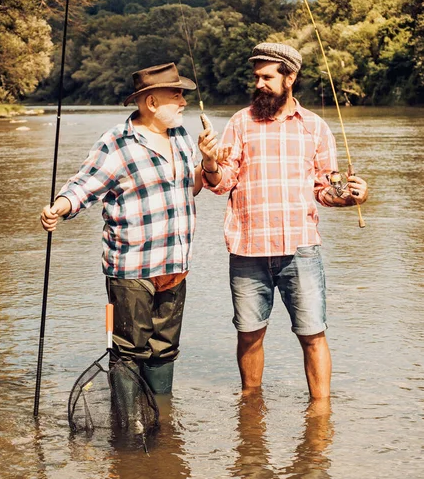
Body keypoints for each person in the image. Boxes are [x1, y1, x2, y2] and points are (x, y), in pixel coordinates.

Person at [198, 43, 368, 399]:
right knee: (249, 333)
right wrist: (210, 163)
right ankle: (250, 408)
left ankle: (321, 414)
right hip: (247, 247)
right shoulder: (240, 123)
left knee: (313, 334)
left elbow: (327, 187)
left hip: (300, 250)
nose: (259, 83)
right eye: (256, 77)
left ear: (290, 78)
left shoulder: (315, 127)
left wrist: (354, 194)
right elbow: (222, 182)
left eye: (267, 77)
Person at [40, 62, 216, 395]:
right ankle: (129, 435)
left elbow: (189, 187)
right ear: (151, 102)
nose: (183, 102)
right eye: (176, 95)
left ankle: (161, 427)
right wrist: (58, 209)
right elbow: (84, 185)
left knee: (164, 350)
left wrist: (208, 162)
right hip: (131, 270)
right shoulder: (117, 142)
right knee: (127, 352)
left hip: (175, 266)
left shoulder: (181, 136)